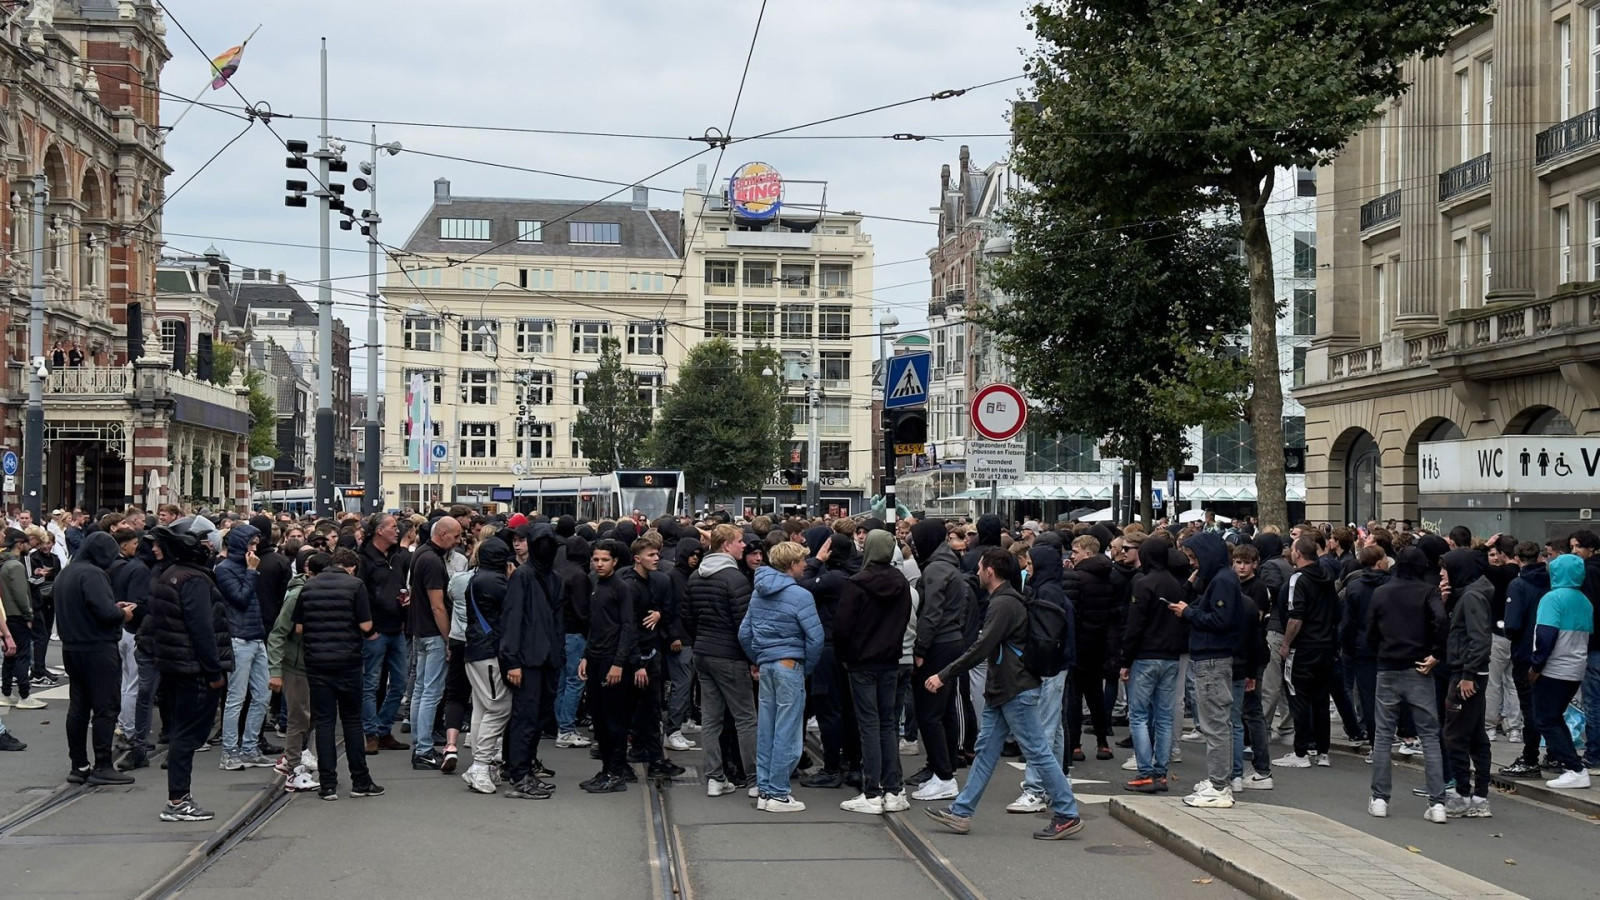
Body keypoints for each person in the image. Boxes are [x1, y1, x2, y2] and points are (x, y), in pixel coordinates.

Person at [923, 548, 1084, 841]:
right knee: (986, 751)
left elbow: (982, 648)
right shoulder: (1007, 599)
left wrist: (943, 675)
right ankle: (961, 812)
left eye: (981, 567)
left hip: (1015, 688)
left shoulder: (1004, 604)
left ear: (990, 571)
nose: (977, 571)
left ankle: (1067, 812)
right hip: (1005, 688)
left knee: (1037, 751)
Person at [146, 518, 231, 822]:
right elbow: (201, 629)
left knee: (182, 732)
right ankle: (178, 799)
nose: (210, 547)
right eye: (205, 542)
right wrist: (214, 673)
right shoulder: (193, 579)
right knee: (188, 736)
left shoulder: (169, 575)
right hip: (195, 669)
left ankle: (179, 797)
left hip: (175, 665)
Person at [1365, 547, 1450, 822]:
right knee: (1429, 736)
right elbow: (1440, 620)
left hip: (1388, 665)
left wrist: (1379, 649)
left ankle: (1380, 798)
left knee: (1383, 736)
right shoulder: (1428, 591)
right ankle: (1437, 802)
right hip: (1420, 667)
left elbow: (1370, 630)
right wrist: (1436, 653)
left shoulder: (1382, 592)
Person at [740, 541, 824, 812]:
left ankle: (765, 789)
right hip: (789, 665)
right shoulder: (800, 596)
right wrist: (804, 667)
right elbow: (816, 638)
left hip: (767, 665)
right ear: (791, 565)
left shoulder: (758, 592)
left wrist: (759, 657)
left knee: (767, 727)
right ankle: (777, 792)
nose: (805, 565)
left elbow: (744, 634)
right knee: (787, 731)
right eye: (801, 561)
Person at [295, 547, 385, 801]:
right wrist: (371, 635)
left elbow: (299, 628)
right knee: (352, 721)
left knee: (324, 722)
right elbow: (365, 625)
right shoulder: (355, 586)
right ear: (352, 566)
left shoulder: (309, 587)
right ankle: (360, 781)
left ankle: (328, 785)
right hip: (348, 661)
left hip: (317, 663)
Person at [834, 530, 911, 814]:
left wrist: (846, 656)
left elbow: (843, 627)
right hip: (890, 660)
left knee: (868, 725)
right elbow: (903, 620)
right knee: (888, 723)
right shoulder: (901, 583)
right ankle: (893, 790)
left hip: (862, 663)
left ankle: (872, 791)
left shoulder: (856, 584)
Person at [54, 531, 136, 786]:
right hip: (98, 648)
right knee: (105, 706)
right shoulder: (93, 574)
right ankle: (103, 763)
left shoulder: (66, 572)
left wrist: (112, 607)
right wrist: (122, 613)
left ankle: (79, 764)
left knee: (78, 706)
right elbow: (104, 613)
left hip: (72, 648)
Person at [685, 525, 758, 798]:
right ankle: (755, 779)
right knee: (746, 718)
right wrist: (753, 658)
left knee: (711, 719)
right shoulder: (736, 579)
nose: (744, 546)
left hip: (703, 653)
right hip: (730, 655)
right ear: (726, 545)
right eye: (739, 542)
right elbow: (745, 624)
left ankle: (715, 777)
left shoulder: (695, 576)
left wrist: (701, 639)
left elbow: (688, 616)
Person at [907, 519, 970, 801]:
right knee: (944, 710)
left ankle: (943, 775)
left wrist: (919, 649)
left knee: (929, 711)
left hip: (937, 644)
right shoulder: (950, 565)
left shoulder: (934, 569)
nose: (912, 544)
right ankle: (945, 770)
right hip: (952, 640)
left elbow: (931, 613)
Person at [1119, 536, 1187, 792]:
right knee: (1164, 716)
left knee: (1138, 715)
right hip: (1170, 655)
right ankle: (1160, 770)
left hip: (1145, 655)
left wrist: (1125, 659)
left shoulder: (1143, 583)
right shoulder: (1175, 584)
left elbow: (1134, 624)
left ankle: (1145, 769)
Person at [501, 526, 565, 799]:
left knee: (537, 718)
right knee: (525, 718)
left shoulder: (554, 578)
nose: (546, 549)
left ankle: (524, 769)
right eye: (542, 544)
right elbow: (512, 619)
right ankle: (518, 773)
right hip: (527, 659)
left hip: (548, 658)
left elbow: (558, 620)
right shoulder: (523, 577)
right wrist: (512, 660)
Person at [214, 522, 273, 770]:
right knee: (236, 698)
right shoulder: (224, 569)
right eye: (251, 544)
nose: (255, 549)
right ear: (240, 545)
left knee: (263, 694)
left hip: (255, 637)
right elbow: (239, 598)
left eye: (256, 544)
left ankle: (249, 747)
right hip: (239, 638)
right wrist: (251, 572)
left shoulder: (245, 568)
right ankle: (230, 752)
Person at [1532, 551, 1593, 790]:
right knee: (1554, 717)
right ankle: (1573, 766)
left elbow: (1545, 635)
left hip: (1554, 667)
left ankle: (1575, 768)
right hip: (1576, 667)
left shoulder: (1552, 598)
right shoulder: (1584, 600)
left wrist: (1536, 665)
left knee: (1546, 719)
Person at [580, 540, 636, 794]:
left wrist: (618, 663)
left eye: (604, 560)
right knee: (600, 719)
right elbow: (595, 624)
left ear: (615, 562)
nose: (599, 564)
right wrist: (585, 656)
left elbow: (627, 626)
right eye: (596, 559)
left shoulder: (621, 588)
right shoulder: (596, 585)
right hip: (595, 657)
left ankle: (616, 772)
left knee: (613, 719)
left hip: (612, 661)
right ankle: (607, 768)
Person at [1277, 536, 1338, 768]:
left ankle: (1300, 752)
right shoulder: (1327, 577)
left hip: (1303, 647)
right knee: (1321, 699)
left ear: (1298, 554)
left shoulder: (1298, 579)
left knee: (1298, 698)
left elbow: (1295, 616)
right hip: (1326, 645)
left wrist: (1286, 644)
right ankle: (1323, 751)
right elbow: (1335, 611)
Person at [1441, 548, 1493, 816]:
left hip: (1466, 674)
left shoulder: (1471, 597)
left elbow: (1479, 638)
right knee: (1474, 736)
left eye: (1445, 568)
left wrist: (1468, 674)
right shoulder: (1469, 595)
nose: (1441, 574)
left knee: (1456, 735)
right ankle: (1479, 796)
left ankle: (1463, 794)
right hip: (1470, 671)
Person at [461, 535, 515, 794]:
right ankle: (481, 765)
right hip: (491, 651)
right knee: (499, 708)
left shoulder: (477, 578)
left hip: (475, 648)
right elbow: (512, 611)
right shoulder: (496, 582)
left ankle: (485, 763)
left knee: (482, 709)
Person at [406, 517, 460, 760]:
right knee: (431, 692)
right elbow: (438, 606)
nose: (458, 541)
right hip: (433, 632)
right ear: (444, 534)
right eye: (456, 536)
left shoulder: (421, 553)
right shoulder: (433, 561)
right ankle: (424, 748)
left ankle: (420, 744)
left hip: (419, 629)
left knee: (420, 690)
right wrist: (449, 638)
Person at [358, 514, 410, 756]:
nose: (397, 530)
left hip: (396, 627)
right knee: (370, 683)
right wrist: (368, 629)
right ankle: (371, 733)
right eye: (392, 527)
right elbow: (360, 595)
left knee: (400, 683)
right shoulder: (364, 559)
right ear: (379, 531)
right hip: (375, 631)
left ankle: (383, 728)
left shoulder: (398, 557)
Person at [1498, 541, 1547, 778]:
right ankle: (1554, 753)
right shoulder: (1549, 583)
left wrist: (1508, 629)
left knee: (1529, 707)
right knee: (1546, 707)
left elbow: (1513, 624)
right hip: (1547, 651)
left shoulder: (1518, 585)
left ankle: (1530, 758)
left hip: (1524, 651)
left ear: (1517, 558)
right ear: (1539, 557)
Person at [268, 552, 317, 786]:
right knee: (298, 717)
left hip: (311, 665)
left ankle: (295, 758)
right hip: (295, 665)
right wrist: (275, 671)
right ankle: (293, 766)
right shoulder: (298, 594)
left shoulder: (313, 592)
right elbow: (278, 632)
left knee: (310, 716)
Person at [0, 529, 37, 709]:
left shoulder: (4, 563)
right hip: (16, 615)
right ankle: (24, 695)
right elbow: (21, 595)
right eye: (27, 542)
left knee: (10, 655)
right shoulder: (15, 566)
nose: (29, 546)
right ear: (19, 544)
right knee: (23, 654)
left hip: (6, 614)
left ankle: (6, 692)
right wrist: (28, 615)